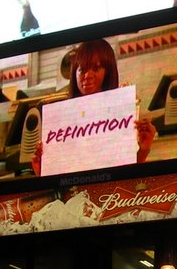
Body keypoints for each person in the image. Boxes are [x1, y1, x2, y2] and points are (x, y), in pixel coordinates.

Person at [31, 38, 156, 174]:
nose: (88, 75)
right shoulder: (62, 120)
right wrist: (42, 170)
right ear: (74, 73)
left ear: (108, 72)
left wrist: (143, 149)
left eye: (96, 68)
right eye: (82, 69)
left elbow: (127, 176)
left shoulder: (121, 115)